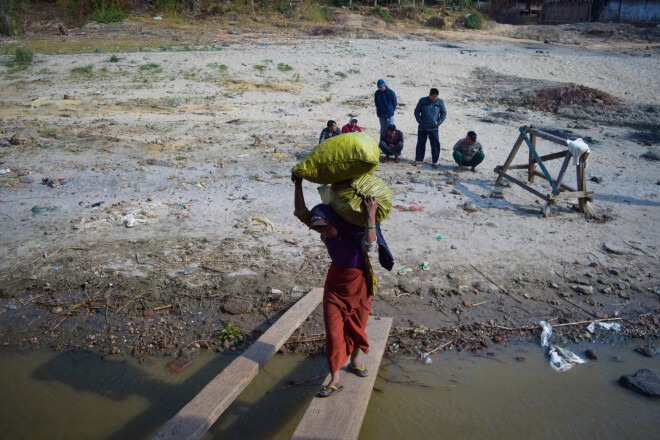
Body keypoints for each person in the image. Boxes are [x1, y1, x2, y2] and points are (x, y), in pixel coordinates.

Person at [292, 176, 394, 398]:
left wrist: (370, 213)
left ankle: (355, 361)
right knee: (334, 334)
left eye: (326, 228)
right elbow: (301, 212)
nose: (324, 233)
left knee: (358, 326)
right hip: (335, 287)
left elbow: (369, 245)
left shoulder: (354, 232)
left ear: (334, 222)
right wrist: (298, 184)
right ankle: (335, 378)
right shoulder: (323, 228)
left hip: (359, 286)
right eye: (319, 230)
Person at [414, 88, 447, 169]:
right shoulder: (422, 100)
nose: (434, 98)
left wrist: (438, 123)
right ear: (430, 94)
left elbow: (444, 113)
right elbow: (416, 111)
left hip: (434, 128)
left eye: (436, 97)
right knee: (420, 143)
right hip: (422, 127)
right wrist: (420, 121)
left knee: (435, 144)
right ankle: (418, 159)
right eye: (433, 97)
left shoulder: (440, 102)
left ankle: (435, 161)